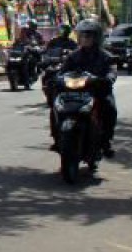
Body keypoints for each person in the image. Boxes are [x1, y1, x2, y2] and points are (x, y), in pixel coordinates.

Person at [51, 18, 119, 157]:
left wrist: (108, 78)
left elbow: (112, 70)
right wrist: (55, 78)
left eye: (89, 36)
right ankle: (57, 139)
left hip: (97, 92)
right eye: (83, 35)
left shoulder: (105, 56)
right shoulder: (73, 56)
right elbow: (62, 71)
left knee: (110, 107)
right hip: (74, 92)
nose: (85, 39)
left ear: (96, 38)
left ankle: (106, 141)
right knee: (55, 107)